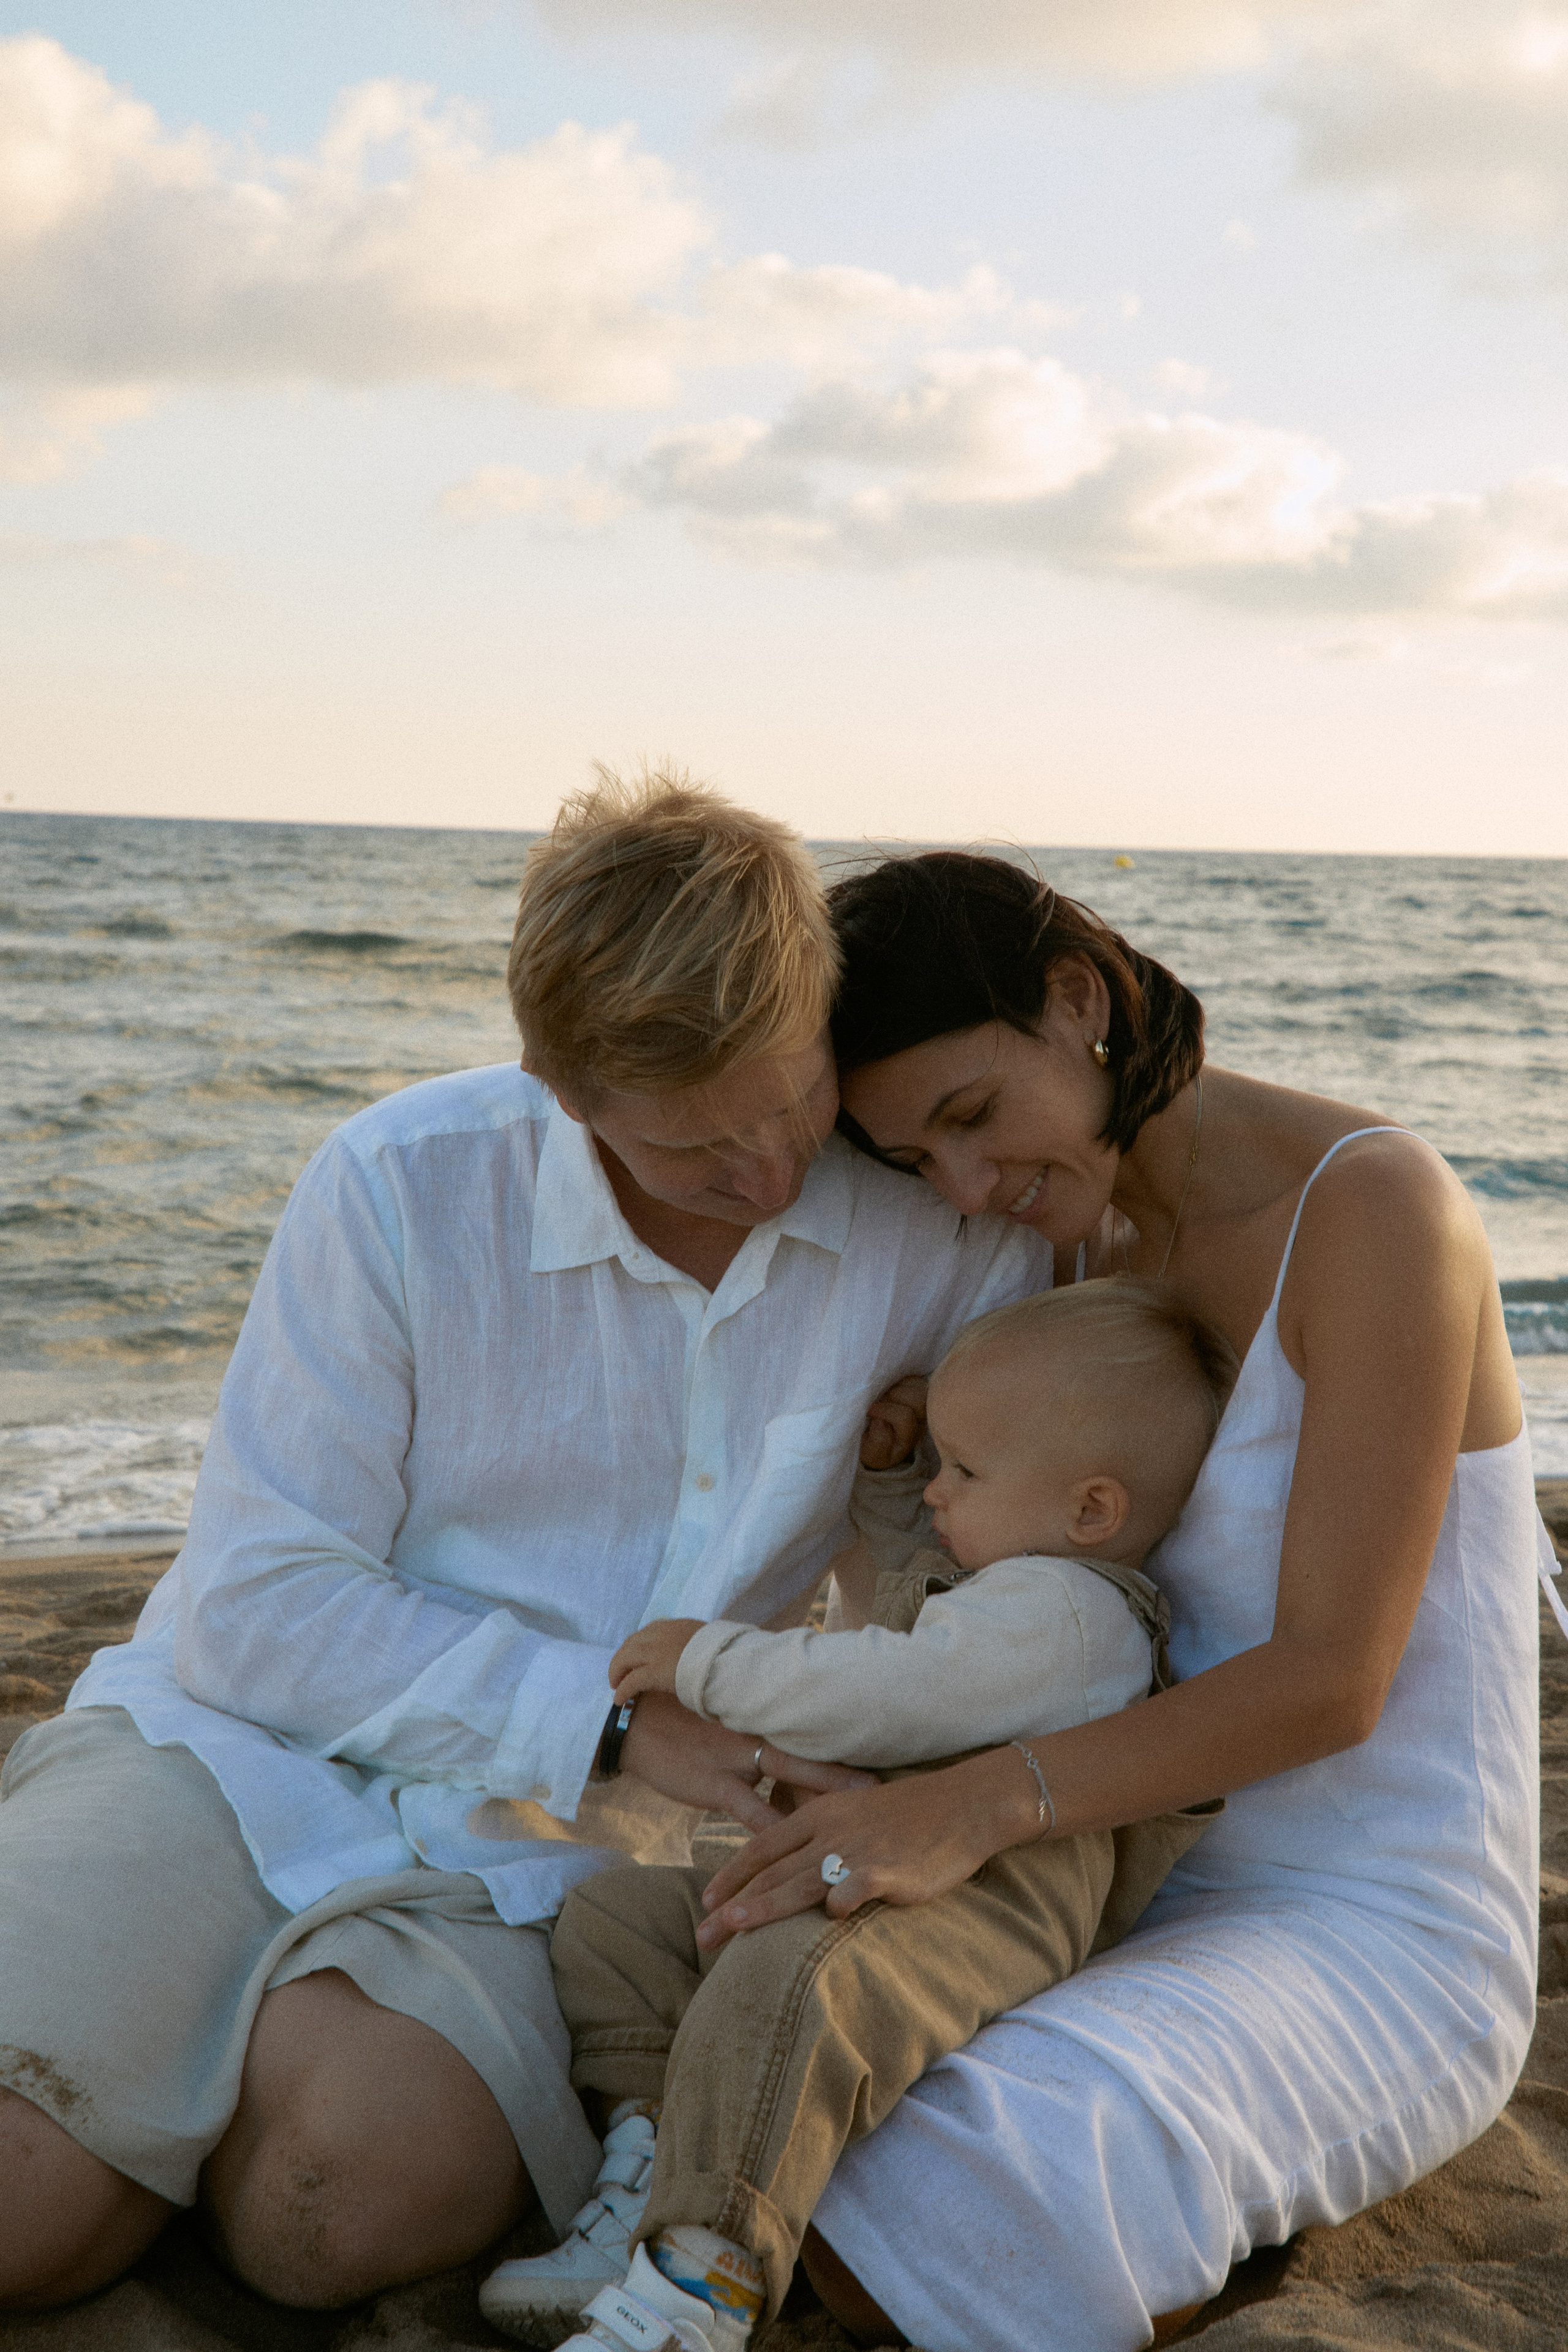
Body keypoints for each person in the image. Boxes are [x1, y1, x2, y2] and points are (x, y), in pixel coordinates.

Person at [0, 781, 1055, 2315]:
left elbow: (963, 1546)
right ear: (562, 1092)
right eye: (696, 1148)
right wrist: (613, 1721)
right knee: (20, 2204)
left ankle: (206, 2089)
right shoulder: (398, 1182)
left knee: (331, 2216)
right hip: (226, 1746)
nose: (764, 1171)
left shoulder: (946, 1233)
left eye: (790, 1103)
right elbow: (255, 1607)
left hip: (562, 1853)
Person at [687, 851, 1548, 2352]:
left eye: (970, 1117)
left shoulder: (1371, 1210)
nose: (965, 1191)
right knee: (776, 2090)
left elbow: (1330, 1681)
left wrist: (968, 1807)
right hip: (1107, 1880)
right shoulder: (1075, 1247)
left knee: (974, 2174)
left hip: (1370, 1919)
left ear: (1076, 1000)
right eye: (916, 1163)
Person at [478, 1278, 1232, 2348]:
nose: (938, 1491)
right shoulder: (1011, 1593)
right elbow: (915, 1590)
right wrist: (890, 1484)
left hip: (981, 1909)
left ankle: (700, 2283)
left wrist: (708, 1660)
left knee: (789, 1987)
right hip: (880, 1878)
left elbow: (886, 1691)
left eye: (962, 1470)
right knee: (622, 1928)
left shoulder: (1075, 1615)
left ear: (1092, 1512)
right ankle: (646, 2180)